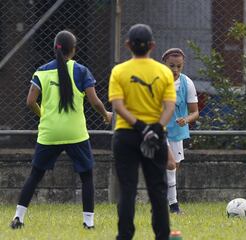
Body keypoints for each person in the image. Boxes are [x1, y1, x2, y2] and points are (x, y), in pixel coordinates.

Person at [10, 30, 112, 229]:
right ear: (73, 50)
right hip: (75, 134)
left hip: (49, 133)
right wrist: (105, 114)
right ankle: (88, 223)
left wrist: (44, 116)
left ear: (55, 47)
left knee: (35, 175)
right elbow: (94, 101)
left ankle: (18, 218)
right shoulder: (81, 71)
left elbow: (30, 101)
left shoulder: (41, 71)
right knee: (87, 176)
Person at [109, 24, 175, 240]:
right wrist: (154, 129)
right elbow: (169, 108)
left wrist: (140, 128)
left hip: (126, 136)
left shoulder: (119, 71)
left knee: (127, 189)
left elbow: (118, 106)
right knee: (158, 190)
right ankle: (162, 235)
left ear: (128, 45)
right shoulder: (164, 72)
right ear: (152, 46)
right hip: (156, 137)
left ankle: (125, 235)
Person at [161, 48, 199, 214]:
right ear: (164, 64)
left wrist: (186, 119)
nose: (175, 70)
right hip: (157, 130)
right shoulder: (157, 81)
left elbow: (194, 112)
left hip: (176, 132)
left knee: (173, 166)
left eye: (178, 66)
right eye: (171, 66)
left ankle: (167, 201)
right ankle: (173, 205)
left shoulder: (187, 83)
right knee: (168, 164)